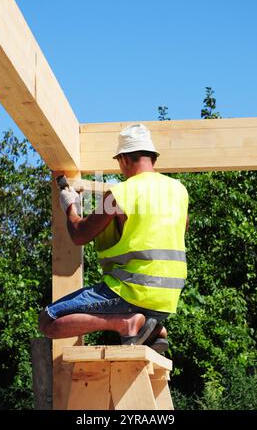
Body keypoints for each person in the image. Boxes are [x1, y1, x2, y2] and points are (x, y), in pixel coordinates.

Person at [39, 123, 189, 352]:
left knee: (48, 320)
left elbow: (80, 234)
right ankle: (153, 328)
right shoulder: (179, 191)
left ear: (124, 160)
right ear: (152, 158)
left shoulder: (119, 194)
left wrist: (70, 206)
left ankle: (125, 323)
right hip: (166, 299)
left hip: (130, 291)